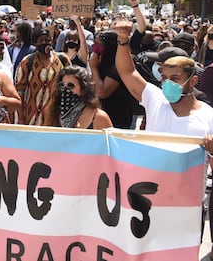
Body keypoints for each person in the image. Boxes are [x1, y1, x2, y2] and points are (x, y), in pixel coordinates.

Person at [113, 20, 213, 256]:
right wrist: (123, 40)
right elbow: (127, 72)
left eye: (175, 78)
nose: (167, 84)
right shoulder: (156, 100)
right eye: (164, 78)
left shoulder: (208, 117)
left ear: (193, 81)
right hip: (147, 200)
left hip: (187, 207)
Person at [15, 29, 70, 126]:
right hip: (30, 117)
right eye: (41, 40)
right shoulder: (27, 61)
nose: (44, 43)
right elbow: (19, 91)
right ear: (35, 43)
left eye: (47, 40)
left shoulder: (62, 60)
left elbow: (70, 84)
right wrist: (20, 118)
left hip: (53, 117)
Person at [89, 30, 136, 129]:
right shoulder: (100, 62)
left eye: (99, 46)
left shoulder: (118, 66)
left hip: (118, 117)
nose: (95, 48)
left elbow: (102, 92)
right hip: (101, 115)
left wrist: (93, 68)